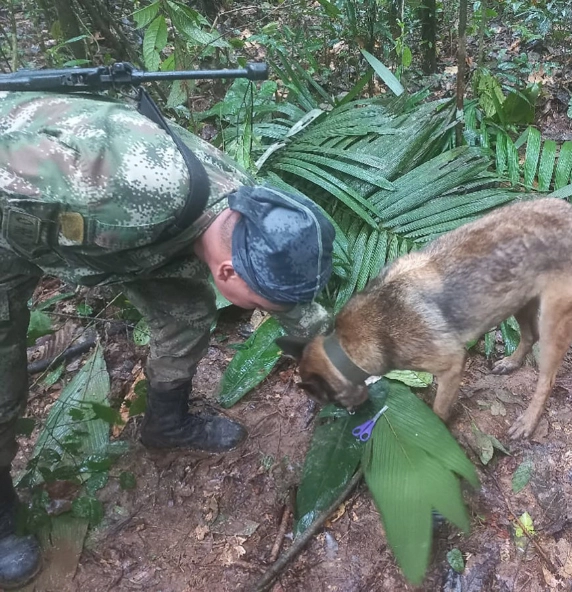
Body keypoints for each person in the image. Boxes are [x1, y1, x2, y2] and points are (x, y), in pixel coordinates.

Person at [0, 89, 335, 589]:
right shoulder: (125, 195)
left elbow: (290, 298)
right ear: (228, 270)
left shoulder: (247, 210)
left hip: (127, 238)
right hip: (16, 213)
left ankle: (166, 423)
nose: (264, 314)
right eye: (260, 307)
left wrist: (342, 366)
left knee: (185, 315)